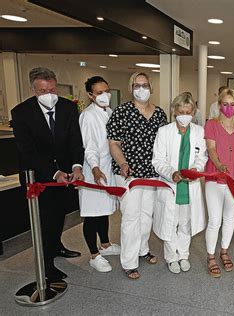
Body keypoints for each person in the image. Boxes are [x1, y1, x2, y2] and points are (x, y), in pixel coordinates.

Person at [11, 67, 84, 281]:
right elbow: (28, 151)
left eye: (52, 89)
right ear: (33, 90)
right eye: (43, 91)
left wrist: (77, 166)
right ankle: (46, 265)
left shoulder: (68, 108)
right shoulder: (21, 113)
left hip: (65, 175)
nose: (49, 94)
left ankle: (57, 245)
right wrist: (54, 172)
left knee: (58, 214)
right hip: (38, 177)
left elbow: (75, 140)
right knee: (43, 220)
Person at [107, 72, 168, 279]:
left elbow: (164, 145)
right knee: (131, 217)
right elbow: (114, 143)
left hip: (152, 173)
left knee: (146, 215)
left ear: (151, 87)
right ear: (130, 88)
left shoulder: (160, 114)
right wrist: (123, 163)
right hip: (128, 174)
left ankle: (142, 250)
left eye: (144, 85)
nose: (141, 89)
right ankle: (129, 261)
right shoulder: (121, 112)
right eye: (136, 85)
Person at [152, 92, 207, 274]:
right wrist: (171, 173)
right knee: (170, 223)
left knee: (185, 223)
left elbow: (202, 157)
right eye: (181, 111)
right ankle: (171, 257)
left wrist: (195, 170)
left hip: (189, 186)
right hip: (171, 185)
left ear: (193, 112)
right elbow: (158, 161)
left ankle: (183, 255)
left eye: (188, 111)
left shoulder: (199, 132)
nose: (184, 115)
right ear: (174, 111)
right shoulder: (164, 132)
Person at [204, 88, 234, 278]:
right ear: (219, 105)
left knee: (230, 219)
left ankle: (224, 251)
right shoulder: (211, 125)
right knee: (215, 221)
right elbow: (211, 149)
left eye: (232, 105)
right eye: (225, 104)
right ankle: (211, 256)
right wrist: (219, 165)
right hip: (216, 179)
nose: (229, 108)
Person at [79, 76, 121, 273]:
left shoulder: (110, 112)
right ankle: (94, 255)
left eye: (106, 90)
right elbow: (89, 148)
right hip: (93, 171)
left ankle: (105, 244)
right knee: (91, 213)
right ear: (90, 95)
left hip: (107, 168)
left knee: (103, 210)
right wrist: (95, 168)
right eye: (99, 92)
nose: (105, 95)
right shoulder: (88, 116)